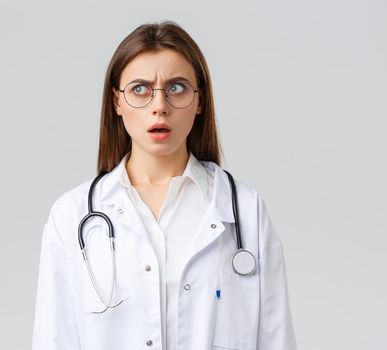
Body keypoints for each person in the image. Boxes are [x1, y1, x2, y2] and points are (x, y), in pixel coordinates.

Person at [31, 21, 297, 350]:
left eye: (177, 88)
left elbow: (275, 338)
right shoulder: (71, 216)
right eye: (140, 89)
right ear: (117, 102)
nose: (160, 106)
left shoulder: (245, 210)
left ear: (200, 100)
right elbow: (53, 339)